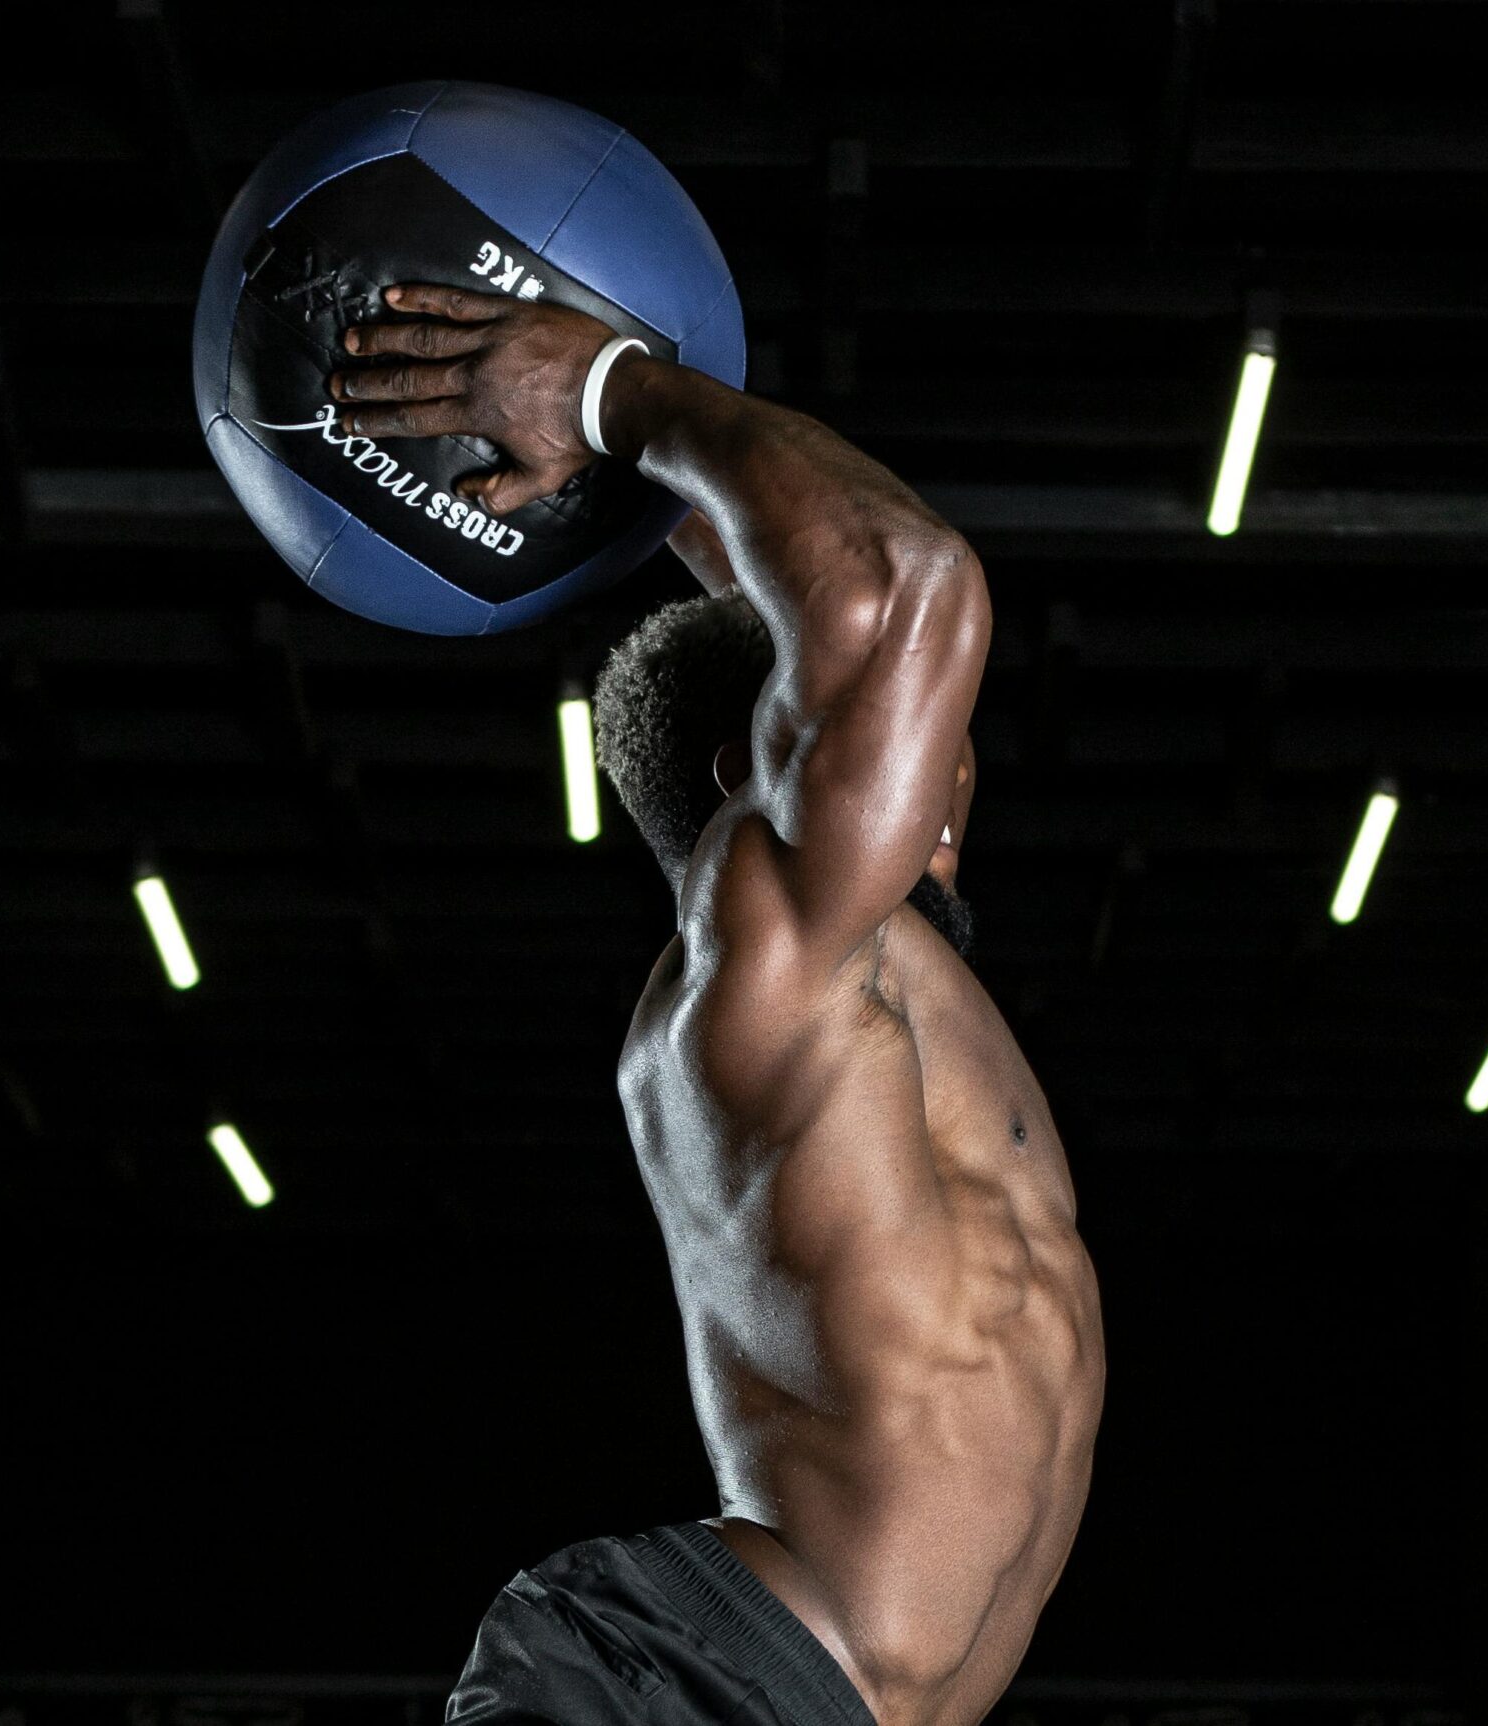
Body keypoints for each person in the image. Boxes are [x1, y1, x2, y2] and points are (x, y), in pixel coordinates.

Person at [328, 285, 1105, 1726]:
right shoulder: (773, 962)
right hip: (686, 1681)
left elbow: (817, 607)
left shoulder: (874, 985)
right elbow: (904, 587)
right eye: (917, 747)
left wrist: (633, 486)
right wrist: (611, 388)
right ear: (762, 779)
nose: (947, 776)